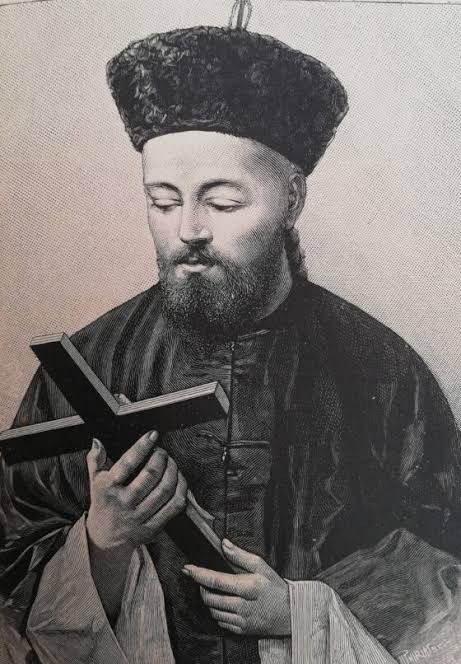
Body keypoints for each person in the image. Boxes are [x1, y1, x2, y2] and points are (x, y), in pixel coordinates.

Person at [1, 24, 461, 664]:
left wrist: (304, 614)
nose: (188, 230)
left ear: (291, 199)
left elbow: (443, 580)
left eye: (221, 202)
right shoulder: (89, 364)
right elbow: (13, 577)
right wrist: (103, 544)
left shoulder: (382, 372)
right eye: (163, 202)